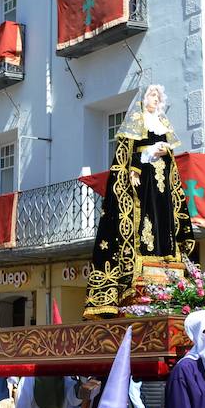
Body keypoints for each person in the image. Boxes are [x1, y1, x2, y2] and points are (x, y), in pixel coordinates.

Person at [85, 83, 196, 317]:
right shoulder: (136, 122)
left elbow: (171, 154)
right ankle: (140, 263)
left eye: (157, 96)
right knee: (144, 216)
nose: (154, 100)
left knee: (163, 216)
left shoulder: (163, 123)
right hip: (143, 179)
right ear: (143, 99)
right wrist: (135, 168)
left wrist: (165, 152)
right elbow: (127, 154)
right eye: (150, 95)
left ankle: (166, 259)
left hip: (161, 180)